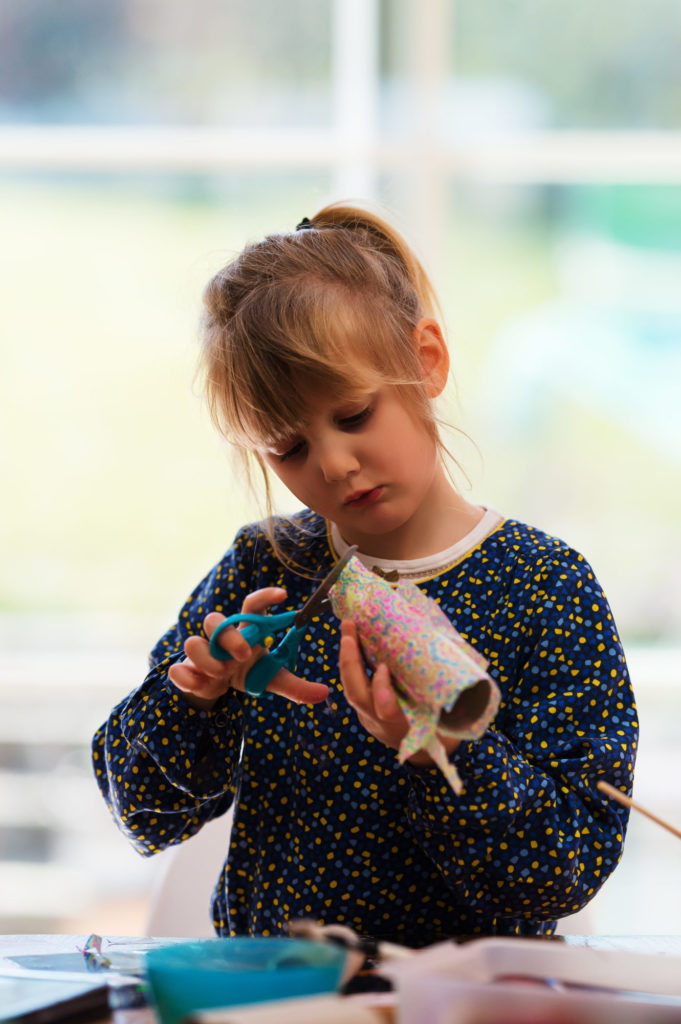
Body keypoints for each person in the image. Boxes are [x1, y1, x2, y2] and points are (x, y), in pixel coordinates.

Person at [92, 202, 638, 946]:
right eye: (287, 448)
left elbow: (562, 871)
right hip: (280, 1000)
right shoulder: (270, 569)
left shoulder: (543, 587)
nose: (333, 465)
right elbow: (144, 814)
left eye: (352, 415)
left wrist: (441, 747)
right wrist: (196, 696)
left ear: (426, 361)